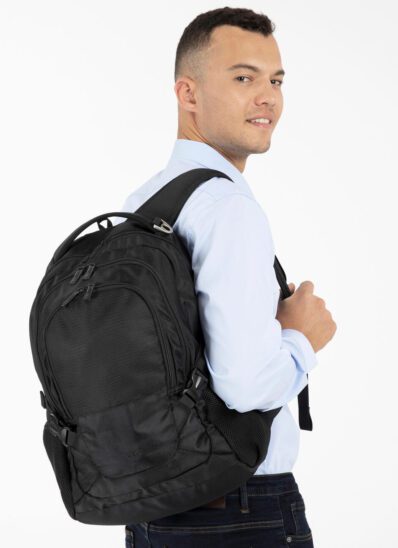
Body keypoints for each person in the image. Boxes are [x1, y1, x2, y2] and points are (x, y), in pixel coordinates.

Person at [121, 7, 337, 547]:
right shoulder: (227, 208)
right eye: (244, 78)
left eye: (276, 81)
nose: (268, 98)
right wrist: (302, 338)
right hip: (240, 508)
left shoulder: (145, 200)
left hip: (156, 508)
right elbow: (244, 387)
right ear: (187, 94)